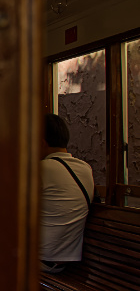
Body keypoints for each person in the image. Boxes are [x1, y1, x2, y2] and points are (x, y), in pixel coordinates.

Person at [39, 113, 95, 273]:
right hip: (62, 262)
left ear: (41, 143)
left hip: (42, 261)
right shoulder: (85, 168)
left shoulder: (43, 169)